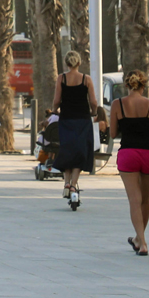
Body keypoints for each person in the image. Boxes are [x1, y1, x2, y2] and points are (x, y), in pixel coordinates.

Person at [108, 70, 149, 256]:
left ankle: (142, 241)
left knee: (134, 199)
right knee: (145, 199)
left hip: (128, 153)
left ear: (126, 85)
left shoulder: (117, 104)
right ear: (144, 85)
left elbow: (113, 134)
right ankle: (140, 238)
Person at [49, 51, 101, 199]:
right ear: (79, 63)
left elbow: (57, 100)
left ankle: (66, 182)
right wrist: (94, 112)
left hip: (66, 119)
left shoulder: (62, 78)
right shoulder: (86, 79)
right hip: (82, 120)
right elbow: (93, 102)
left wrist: (54, 110)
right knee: (80, 152)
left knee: (67, 150)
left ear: (66, 63)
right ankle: (73, 184)